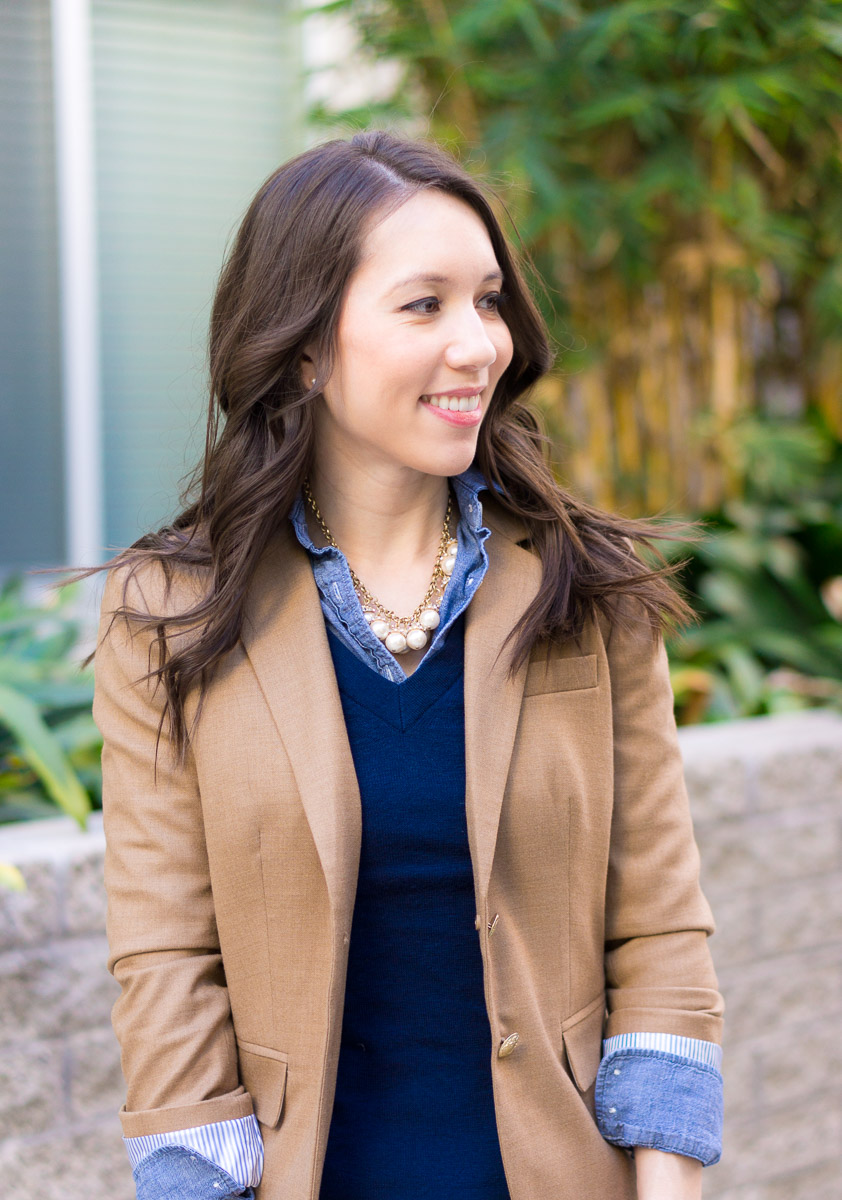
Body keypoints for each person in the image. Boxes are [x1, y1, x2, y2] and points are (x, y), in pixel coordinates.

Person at [87, 130, 724, 1200]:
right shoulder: (169, 613)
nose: (478, 345)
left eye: (487, 301)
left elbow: (656, 925)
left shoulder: (586, 586)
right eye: (423, 305)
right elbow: (165, 959)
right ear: (301, 347)